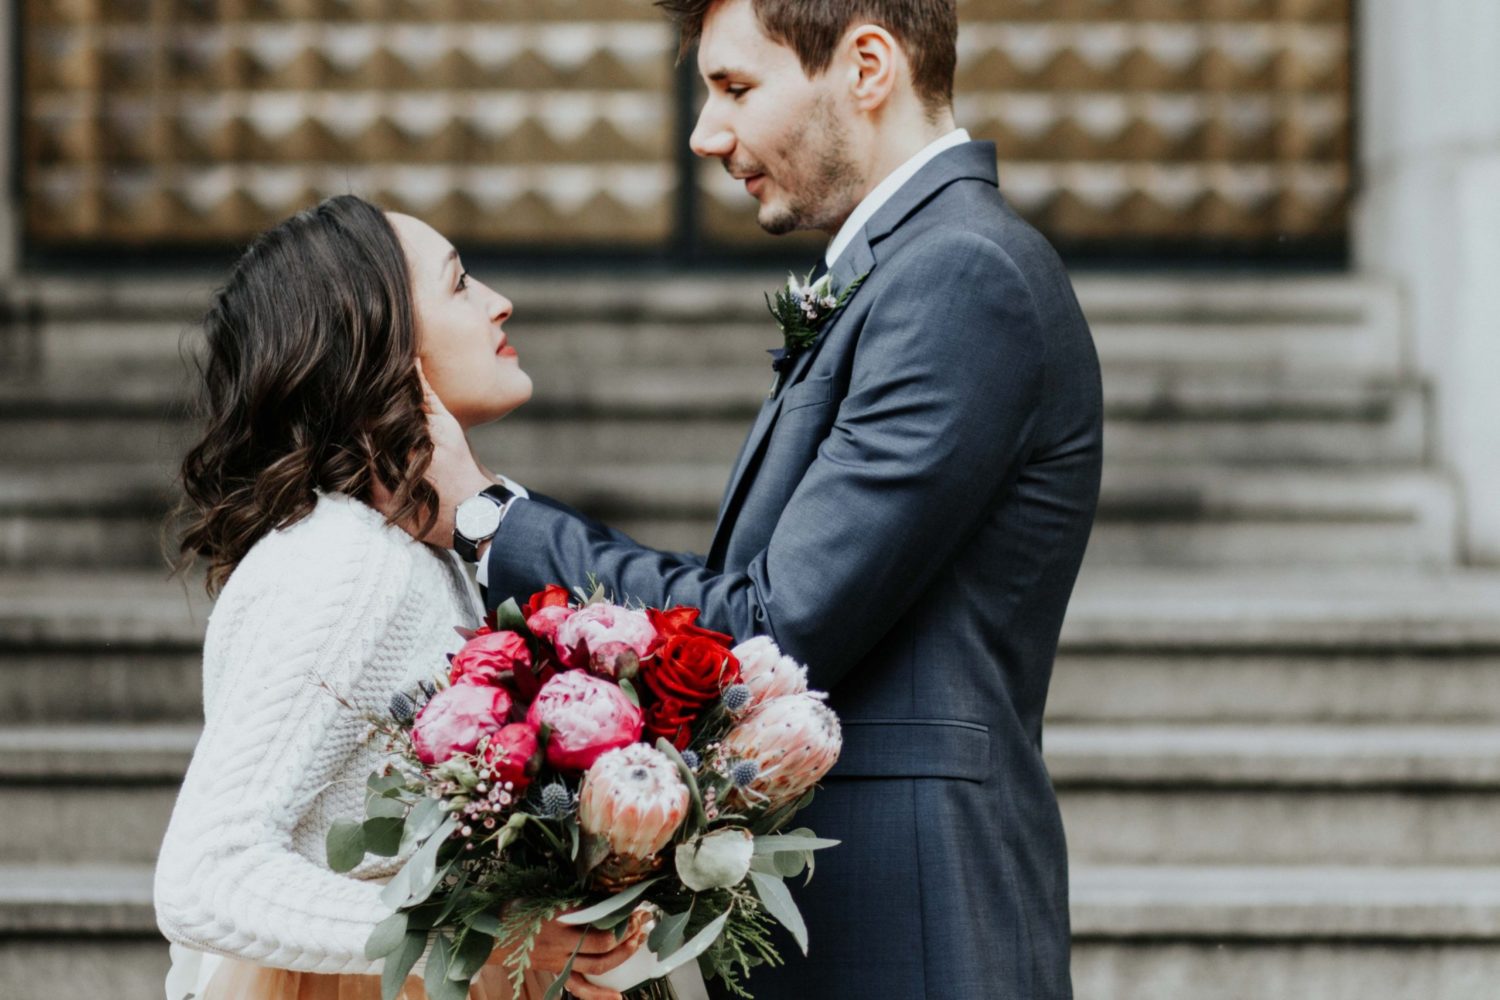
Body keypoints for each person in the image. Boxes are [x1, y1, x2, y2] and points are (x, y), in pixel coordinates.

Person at [397, 1, 1103, 998]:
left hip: (915, 925)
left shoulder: (960, 274)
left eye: (735, 87)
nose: (704, 133)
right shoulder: (908, 267)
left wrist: (485, 517)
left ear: (868, 66)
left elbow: (776, 626)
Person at [153, 195, 649, 1000]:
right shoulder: (343, 559)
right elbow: (205, 876)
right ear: (380, 346)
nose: (499, 302)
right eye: (459, 284)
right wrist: (473, 936)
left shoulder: (421, 542)